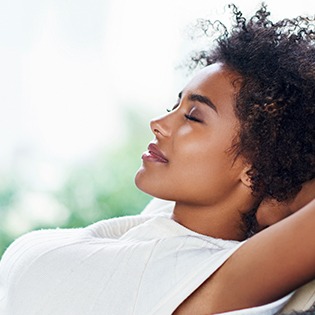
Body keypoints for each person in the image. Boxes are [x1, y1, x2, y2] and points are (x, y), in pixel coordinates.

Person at [0, 4, 314, 315]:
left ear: (253, 166)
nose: (158, 123)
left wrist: (283, 199)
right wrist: (277, 193)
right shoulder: (164, 223)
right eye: (175, 105)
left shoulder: (209, 276)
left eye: (193, 116)